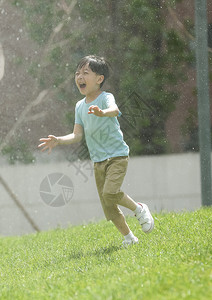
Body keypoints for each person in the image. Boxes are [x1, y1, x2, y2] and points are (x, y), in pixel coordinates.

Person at [38, 55, 154, 247]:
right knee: (109, 206)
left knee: (110, 192)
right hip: (98, 161)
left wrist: (103, 112)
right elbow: (77, 135)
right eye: (77, 73)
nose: (79, 77)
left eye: (85, 73)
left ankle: (139, 208)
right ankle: (129, 238)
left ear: (99, 79)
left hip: (117, 155)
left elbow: (115, 110)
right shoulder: (79, 106)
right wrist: (58, 140)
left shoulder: (105, 98)